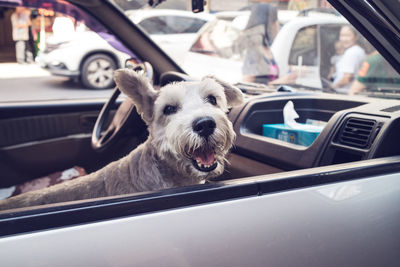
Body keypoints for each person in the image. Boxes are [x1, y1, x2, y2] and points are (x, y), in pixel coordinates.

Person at [241, 3, 280, 84]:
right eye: (275, 21)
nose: (277, 26)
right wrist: (282, 81)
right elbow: (246, 84)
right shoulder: (254, 51)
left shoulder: (266, 48)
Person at [331, 25, 366, 93]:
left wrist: (332, 87)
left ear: (356, 37)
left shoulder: (352, 52)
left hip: (344, 93)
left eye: (348, 35)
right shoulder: (357, 50)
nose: (344, 39)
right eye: (342, 35)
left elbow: (347, 78)